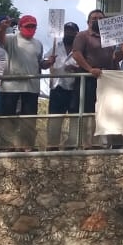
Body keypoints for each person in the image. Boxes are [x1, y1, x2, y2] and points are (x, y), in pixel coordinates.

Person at [0, 15, 55, 151]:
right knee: (8, 117)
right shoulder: (11, 39)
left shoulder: (38, 43)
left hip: (31, 86)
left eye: (33, 26)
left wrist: (48, 62)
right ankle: (7, 145)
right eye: (27, 26)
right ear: (20, 27)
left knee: (29, 117)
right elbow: (0, 38)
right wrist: (3, 28)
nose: (30, 29)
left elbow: (40, 63)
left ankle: (27, 145)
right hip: (11, 85)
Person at [71, 10, 114, 147]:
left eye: (100, 18)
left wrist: (122, 51)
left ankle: (99, 142)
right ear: (88, 21)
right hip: (88, 79)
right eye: (94, 18)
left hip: (105, 80)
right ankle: (84, 142)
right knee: (87, 110)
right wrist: (90, 69)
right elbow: (76, 54)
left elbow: (113, 59)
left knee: (103, 111)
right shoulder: (82, 36)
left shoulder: (109, 37)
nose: (97, 20)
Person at [45, 22, 81, 150]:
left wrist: (77, 69)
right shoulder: (56, 46)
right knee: (55, 119)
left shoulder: (80, 49)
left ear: (77, 33)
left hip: (74, 88)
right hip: (57, 87)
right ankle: (52, 145)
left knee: (75, 119)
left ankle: (71, 145)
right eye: (66, 30)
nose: (69, 33)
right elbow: (44, 63)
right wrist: (49, 62)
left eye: (72, 31)